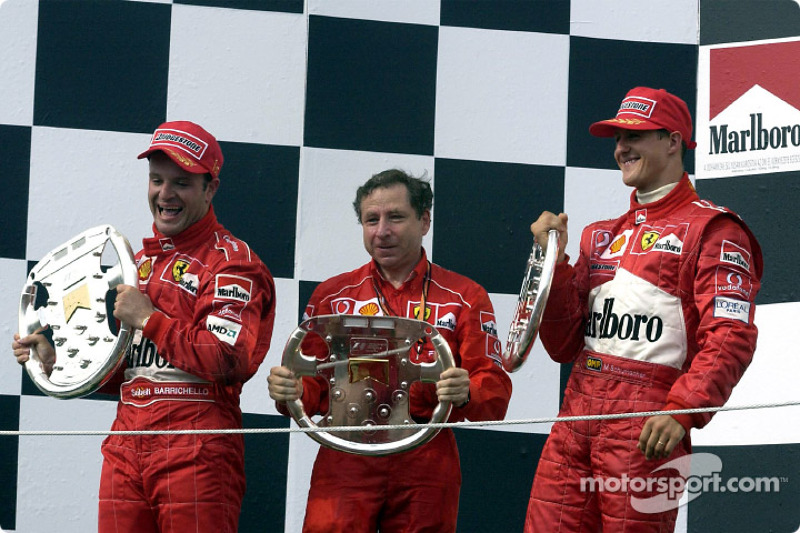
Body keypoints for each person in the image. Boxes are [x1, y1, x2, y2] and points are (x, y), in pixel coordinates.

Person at [12, 120, 276, 532]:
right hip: (126, 445)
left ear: (211, 189)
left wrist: (150, 320)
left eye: (182, 183)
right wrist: (54, 358)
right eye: (156, 180)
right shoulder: (138, 265)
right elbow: (126, 371)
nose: (165, 194)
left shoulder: (233, 262)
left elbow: (228, 359)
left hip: (196, 449)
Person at [524, 87, 763, 531]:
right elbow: (562, 345)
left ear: (674, 141)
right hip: (575, 414)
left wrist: (682, 410)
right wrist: (554, 267)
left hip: (647, 423)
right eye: (617, 138)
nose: (621, 148)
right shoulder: (598, 236)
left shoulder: (714, 229)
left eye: (635, 135)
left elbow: (731, 335)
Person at [268, 169, 512, 533]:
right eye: (371, 219)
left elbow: (493, 392)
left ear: (424, 220)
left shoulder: (465, 296)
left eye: (395, 217)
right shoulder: (332, 296)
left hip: (426, 455)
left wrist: (467, 393)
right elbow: (314, 390)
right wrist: (291, 391)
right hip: (346, 454)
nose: (382, 231)